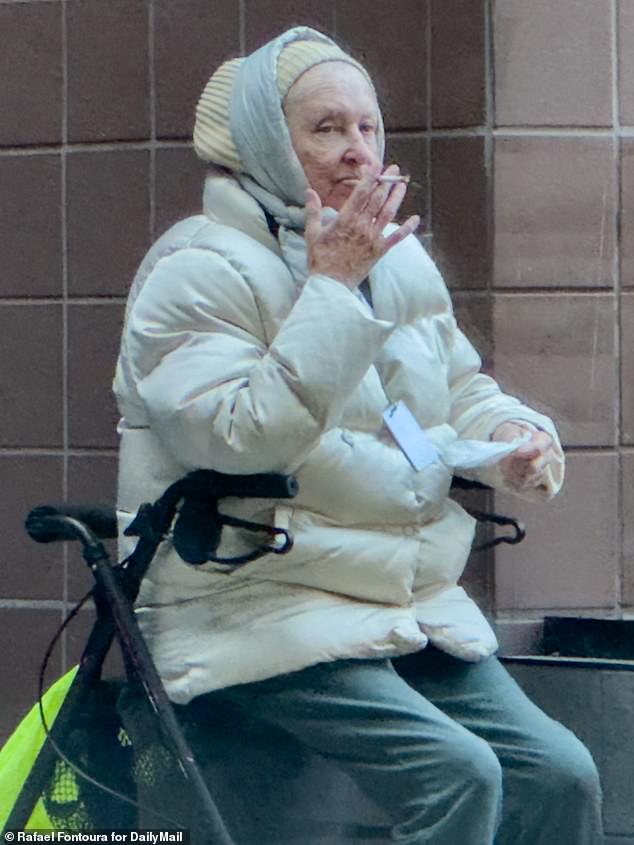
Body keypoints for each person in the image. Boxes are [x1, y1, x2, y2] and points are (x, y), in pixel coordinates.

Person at [114, 25, 603, 845]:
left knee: (562, 773)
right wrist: (332, 289)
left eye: (368, 128)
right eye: (326, 129)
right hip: (253, 601)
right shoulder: (197, 269)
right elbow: (241, 435)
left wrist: (515, 437)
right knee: (461, 776)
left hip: (394, 599)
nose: (356, 151)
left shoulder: (395, 261)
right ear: (271, 141)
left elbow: (450, 391)